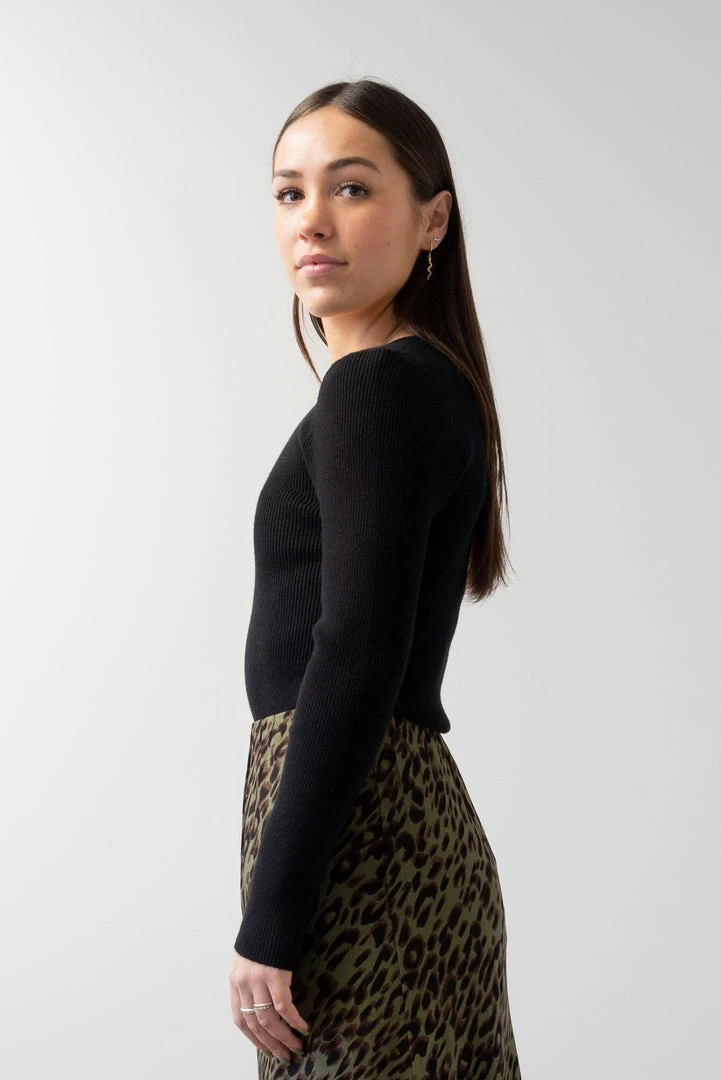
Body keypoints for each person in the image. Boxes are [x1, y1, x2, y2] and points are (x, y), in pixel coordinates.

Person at [228, 76, 523, 1079]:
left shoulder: (377, 387)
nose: (311, 219)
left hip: (360, 840)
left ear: (432, 219)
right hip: (389, 827)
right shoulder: (424, 382)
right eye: (289, 192)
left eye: (351, 188)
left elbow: (353, 649)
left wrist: (272, 917)